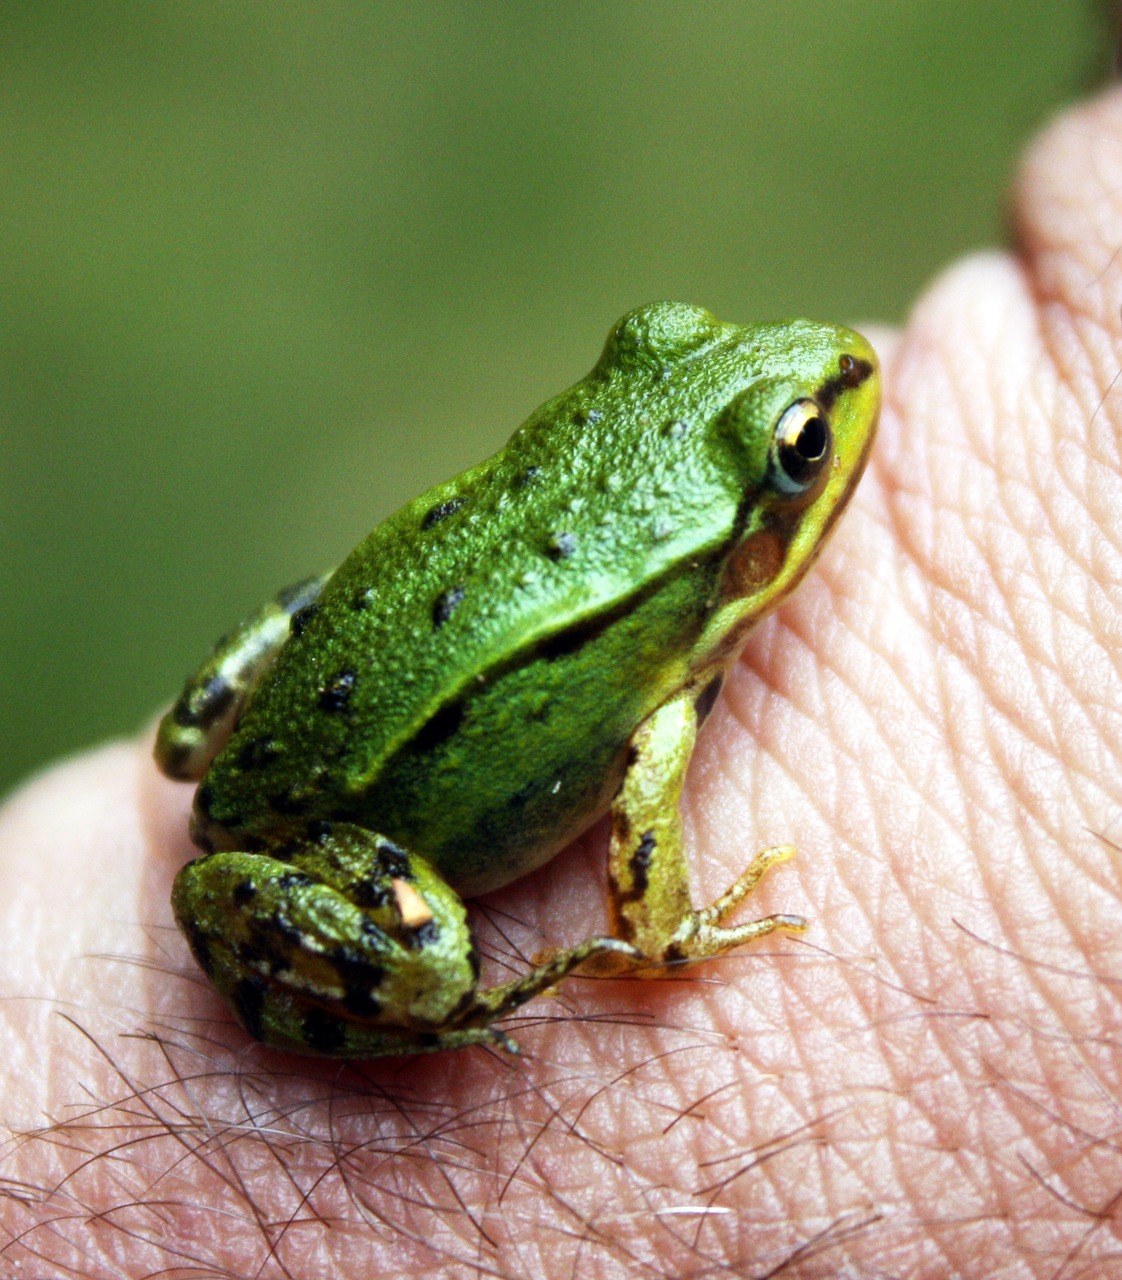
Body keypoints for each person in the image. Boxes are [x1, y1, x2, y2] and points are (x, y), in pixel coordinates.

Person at [2, 71, 1120, 1280]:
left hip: (318, 673)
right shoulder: (671, 663)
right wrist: (674, 932)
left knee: (248, 716)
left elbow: (203, 742)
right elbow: (643, 897)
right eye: (803, 454)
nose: (829, 409)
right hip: (346, 826)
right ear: (744, 545)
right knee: (435, 971)